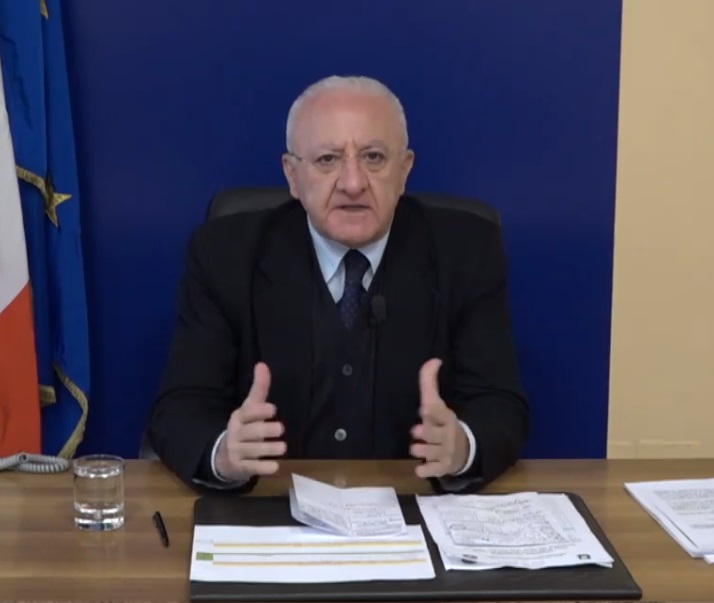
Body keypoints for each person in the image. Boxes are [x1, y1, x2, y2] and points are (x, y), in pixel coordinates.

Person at [147, 75, 529, 493]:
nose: (352, 183)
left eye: (373, 157)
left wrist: (463, 447)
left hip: (413, 505)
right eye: (328, 159)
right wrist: (224, 453)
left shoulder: (466, 252)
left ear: (404, 171)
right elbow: (180, 407)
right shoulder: (224, 255)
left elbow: (500, 405)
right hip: (272, 505)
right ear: (293, 176)